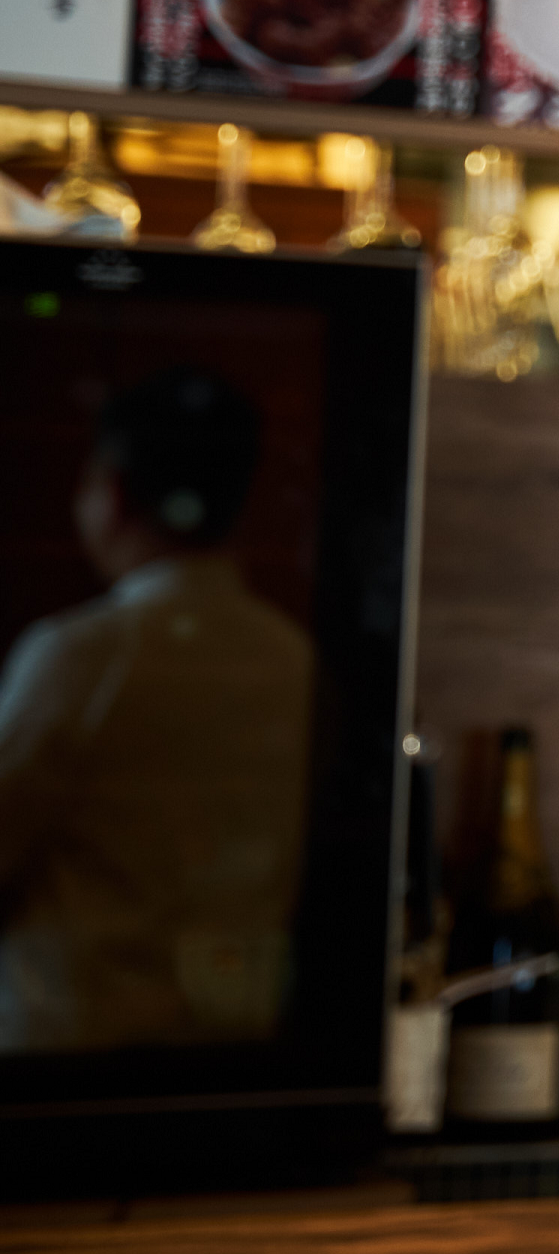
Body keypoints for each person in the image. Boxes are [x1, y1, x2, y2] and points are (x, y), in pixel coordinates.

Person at [0, 366, 313, 1051]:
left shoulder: (82, 655)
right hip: (238, 1047)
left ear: (109, 494)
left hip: (70, 1055)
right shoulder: (292, 657)